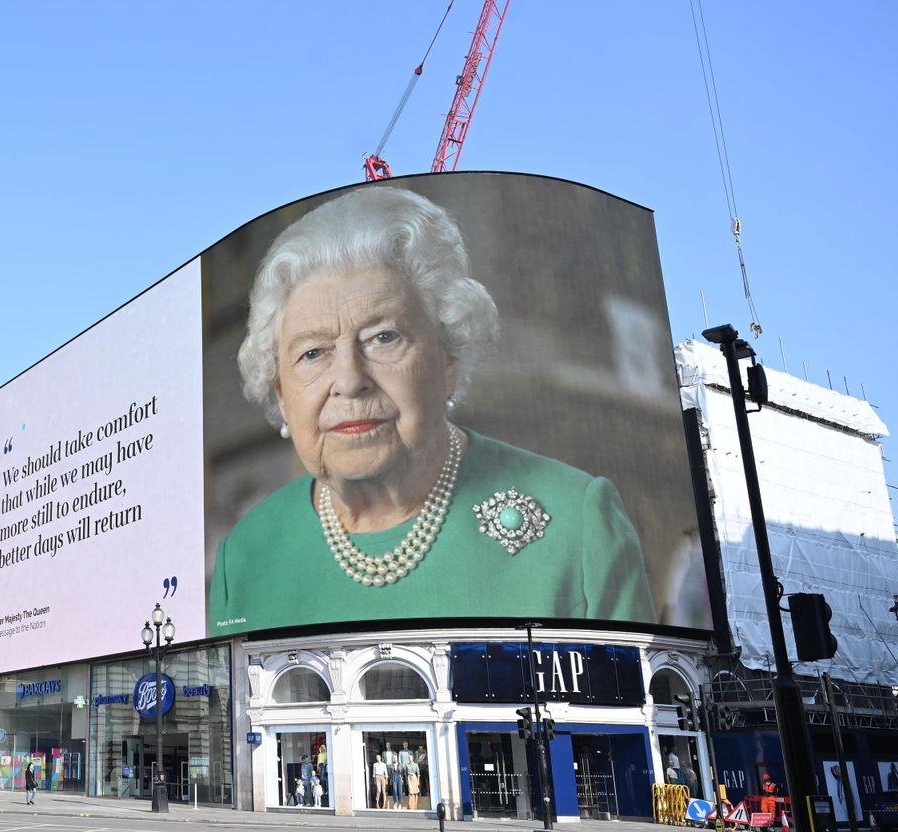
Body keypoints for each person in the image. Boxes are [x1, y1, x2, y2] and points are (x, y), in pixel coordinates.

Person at [208, 187, 654, 634]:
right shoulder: (245, 557)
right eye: (312, 353)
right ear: (282, 395)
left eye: (383, 337)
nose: (348, 380)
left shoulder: (577, 522)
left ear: (448, 358)